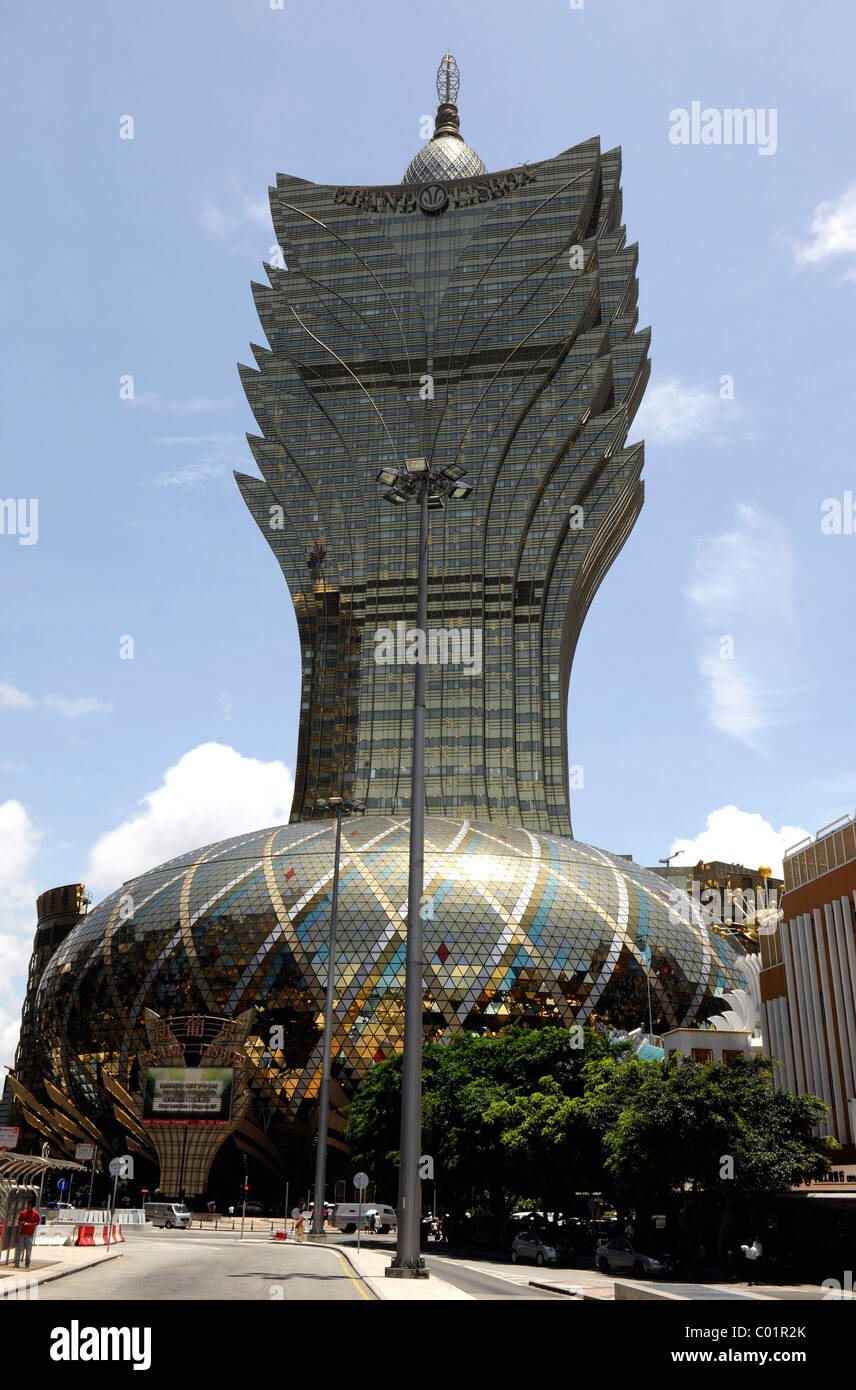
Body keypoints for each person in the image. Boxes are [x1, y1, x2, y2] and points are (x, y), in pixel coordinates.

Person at [15, 1196, 41, 1269]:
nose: (28, 1207)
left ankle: (27, 1264)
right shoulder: (23, 1212)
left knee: (28, 1250)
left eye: (29, 1206)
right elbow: (19, 1221)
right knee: (19, 1249)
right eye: (27, 1206)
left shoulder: (35, 1214)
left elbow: (37, 1222)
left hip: (29, 1234)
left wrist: (31, 1225)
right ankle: (16, 1263)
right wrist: (22, 1223)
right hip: (22, 1233)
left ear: (32, 1207)